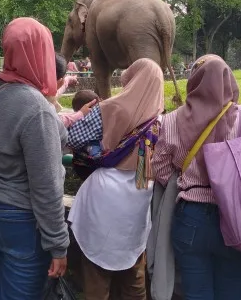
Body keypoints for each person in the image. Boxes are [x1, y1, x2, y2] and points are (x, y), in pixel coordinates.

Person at [0, 18, 69, 300]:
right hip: (18, 219)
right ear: (43, 51)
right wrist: (58, 245)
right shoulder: (36, 108)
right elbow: (47, 186)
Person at [151, 54, 241, 300]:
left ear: (194, 80)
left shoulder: (171, 120)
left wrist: (184, 177)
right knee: (234, 293)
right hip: (239, 216)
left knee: (196, 294)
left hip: (191, 217)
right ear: (229, 79)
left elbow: (158, 168)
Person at [67, 58, 165, 300]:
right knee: (134, 281)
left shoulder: (111, 108)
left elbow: (72, 137)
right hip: (138, 203)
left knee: (97, 278)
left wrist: (98, 148)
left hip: (102, 199)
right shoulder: (162, 121)